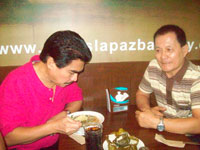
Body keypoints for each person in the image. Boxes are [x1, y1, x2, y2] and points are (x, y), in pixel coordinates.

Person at [0, 30, 92, 149]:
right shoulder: (16, 83)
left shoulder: (63, 79)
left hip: (55, 144)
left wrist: (66, 113)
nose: (75, 79)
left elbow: (76, 99)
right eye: (72, 72)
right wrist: (53, 127)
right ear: (51, 63)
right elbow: (8, 138)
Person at [135, 24, 200, 134]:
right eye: (158, 50)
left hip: (192, 139)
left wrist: (156, 122)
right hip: (164, 132)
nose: (163, 56)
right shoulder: (154, 66)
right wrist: (147, 111)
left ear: (184, 50)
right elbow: (142, 94)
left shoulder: (196, 78)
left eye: (169, 49)